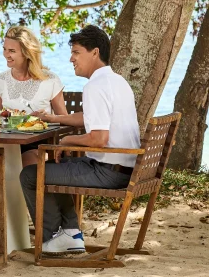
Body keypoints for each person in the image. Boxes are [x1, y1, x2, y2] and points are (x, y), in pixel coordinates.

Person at [21, 25, 141, 255]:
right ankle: (70, 234)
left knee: (30, 175)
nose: (71, 59)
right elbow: (90, 118)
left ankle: (52, 238)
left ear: (94, 52)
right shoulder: (117, 81)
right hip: (124, 167)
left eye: (76, 52)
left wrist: (65, 143)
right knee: (55, 167)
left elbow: (99, 138)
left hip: (108, 171)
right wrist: (53, 118)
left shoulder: (95, 86)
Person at [0, 26, 68, 167]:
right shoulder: (1, 80)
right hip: (8, 144)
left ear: (27, 53)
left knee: (24, 162)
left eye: (12, 51)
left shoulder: (50, 80)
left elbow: (64, 120)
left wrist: (45, 118)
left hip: (40, 146)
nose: (6, 54)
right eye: (4, 49)